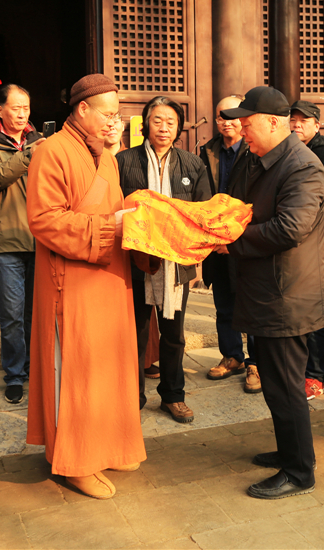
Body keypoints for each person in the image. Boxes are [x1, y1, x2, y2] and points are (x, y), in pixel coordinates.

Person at [26, 73, 146, 500]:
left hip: (109, 277)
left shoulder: (107, 157)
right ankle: (75, 460)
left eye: (118, 115)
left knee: (108, 365)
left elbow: (115, 211)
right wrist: (109, 226)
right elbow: (43, 220)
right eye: (109, 115)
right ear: (82, 110)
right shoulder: (52, 152)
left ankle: (108, 443)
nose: (116, 123)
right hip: (72, 280)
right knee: (75, 368)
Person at [220, 86, 324, 499]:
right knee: (272, 383)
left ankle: (300, 471)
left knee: (286, 385)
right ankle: (290, 451)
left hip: (288, 296)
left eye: (247, 124)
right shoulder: (256, 158)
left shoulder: (304, 167)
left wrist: (231, 241)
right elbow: (237, 207)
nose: (241, 131)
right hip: (263, 290)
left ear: (274, 123)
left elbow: (289, 228)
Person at [117, 97, 211, 422]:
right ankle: (132, 395)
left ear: (179, 127)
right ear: (146, 123)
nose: (164, 127)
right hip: (136, 263)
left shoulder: (192, 164)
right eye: (157, 120)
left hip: (176, 265)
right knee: (136, 332)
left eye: (170, 121)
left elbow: (202, 212)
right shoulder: (123, 161)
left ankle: (173, 395)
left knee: (174, 334)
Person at [0, 84, 44, 404]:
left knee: (35, 311)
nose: (22, 114)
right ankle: (14, 373)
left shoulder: (37, 139)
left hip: (39, 237)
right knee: (13, 312)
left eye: (26, 108)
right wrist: (30, 155)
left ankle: (34, 366)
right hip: (5, 242)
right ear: (0, 110)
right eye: (16, 108)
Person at [200, 95, 259, 394]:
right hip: (214, 240)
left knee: (251, 302)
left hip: (244, 239)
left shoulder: (255, 150)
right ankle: (232, 355)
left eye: (232, 116)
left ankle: (256, 363)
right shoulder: (207, 151)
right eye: (221, 116)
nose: (226, 121)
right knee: (224, 303)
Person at [289, 100, 324, 401]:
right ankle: (299, 370)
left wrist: (321, 252)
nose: (296, 125)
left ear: (316, 125)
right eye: (292, 120)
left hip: (315, 251)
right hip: (292, 250)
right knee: (297, 313)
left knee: (316, 316)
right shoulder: (289, 151)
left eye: (303, 120)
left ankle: (316, 374)